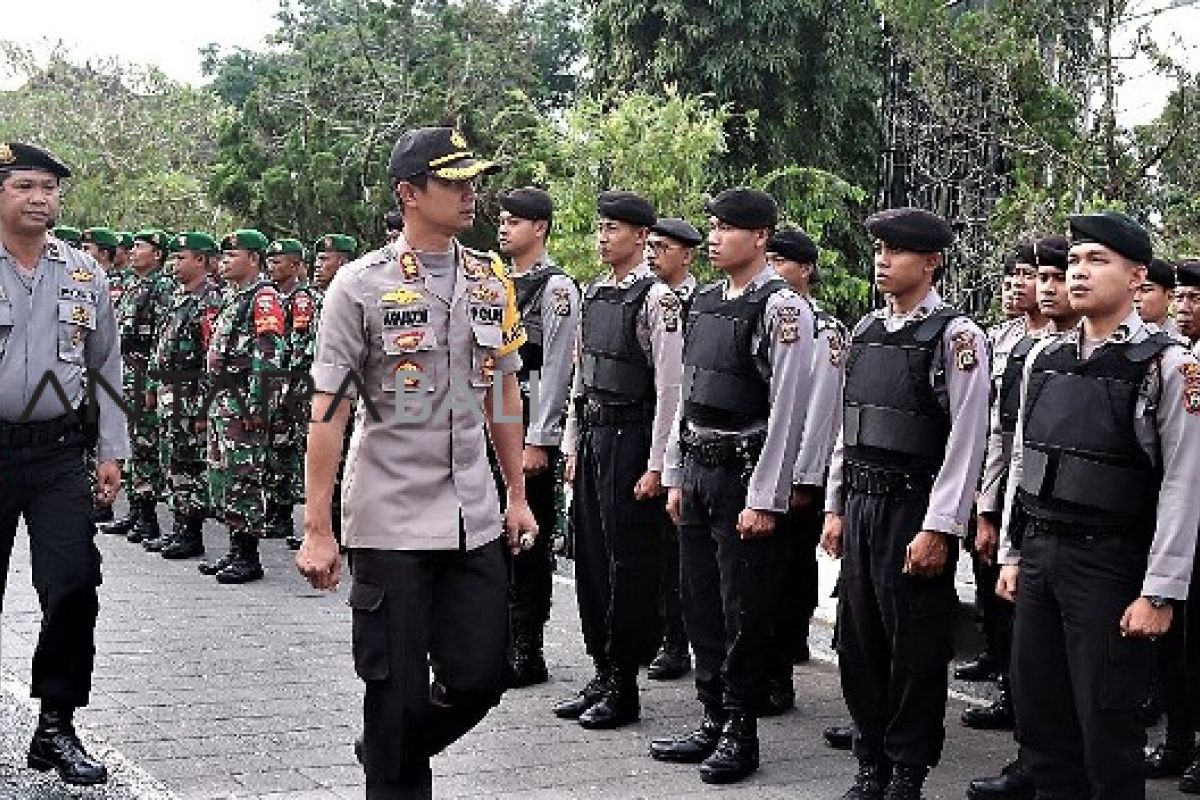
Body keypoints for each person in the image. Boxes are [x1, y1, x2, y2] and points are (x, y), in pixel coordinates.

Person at [297, 126, 536, 800]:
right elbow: (330, 410)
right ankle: (391, 755)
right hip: (390, 518)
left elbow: (504, 390)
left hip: (474, 517)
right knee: (395, 692)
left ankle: (384, 750)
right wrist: (318, 527)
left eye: (472, 180)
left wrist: (516, 491)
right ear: (409, 193)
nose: (471, 194)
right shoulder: (358, 285)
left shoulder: (491, 278)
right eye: (453, 182)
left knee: (481, 678)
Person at [996, 211, 1200, 800]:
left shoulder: (1169, 365)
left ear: (1138, 277)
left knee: (1108, 734)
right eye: (1075, 260)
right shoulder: (1045, 357)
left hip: (1110, 566)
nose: (1078, 273)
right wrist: (1013, 551)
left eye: (1096, 261)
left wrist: (1160, 591)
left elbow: (1184, 484)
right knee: (1042, 723)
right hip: (1040, 557)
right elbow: (1023, 462)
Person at [822, 207, 990, 800]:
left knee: (914, 647)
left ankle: (906, 770)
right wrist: (835, 506)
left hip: (912, 507)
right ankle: (870, 759)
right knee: (859, 639)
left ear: (932, 260)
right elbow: (849, 426)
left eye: (895, 251)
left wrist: (940, 527)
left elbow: (968, 436)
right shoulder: (865, 331)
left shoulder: (955, 335)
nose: (882, 261)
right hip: (863, 503)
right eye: (877, 251)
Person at [653, 189, 814, 784]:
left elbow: (788, 410)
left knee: (740, 605)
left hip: (743, 472)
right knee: (699, 601)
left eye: (727, 229)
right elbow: (685, 396)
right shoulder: (703, 302)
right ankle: (712, 715)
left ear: (762, 237)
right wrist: (674, 472)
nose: (714, 237)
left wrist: (764, 498)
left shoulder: (781, 309)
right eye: (712, 227)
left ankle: (741, 727)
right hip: (697, 466)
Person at [0, 141, 129, 786]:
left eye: (49, 188)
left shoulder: (84, 273)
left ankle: (54, 727)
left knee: (75, 583)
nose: (39, 198)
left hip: (58, 453)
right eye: (25, 185)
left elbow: (106, 366)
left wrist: (112, 449)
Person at [555, 190, 684, 730]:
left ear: (640, 238)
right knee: (590, 562)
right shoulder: (594, 294)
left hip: (634, 439)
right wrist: (570, 441)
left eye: (614, 228)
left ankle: (625, 681)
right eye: (600, 227)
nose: (603, 236)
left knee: (629, 565)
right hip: (595, 437)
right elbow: (581, 375)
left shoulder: (656, 301)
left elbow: (671, 388)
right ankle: (603, 668)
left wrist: (659, 464)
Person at [967, 234, 1076, 800]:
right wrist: (991, 515)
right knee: (1030, 656)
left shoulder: (1130, 358)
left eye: (1053, 274)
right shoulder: (1019, 346)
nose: (1042, 286)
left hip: (1088, 529)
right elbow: (1003, 440)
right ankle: (1033, 761)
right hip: (1026, 508)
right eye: (1043, 275)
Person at [496, 186, 580, 688]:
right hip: (491, 424)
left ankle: (528, 647)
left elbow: (555, 370)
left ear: (540, 227)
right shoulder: (495, 281)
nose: (504, 228)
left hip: (528, 426)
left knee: (528, 540)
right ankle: (498, 639)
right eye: (503, 219)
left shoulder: (556, 289)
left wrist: (540, 440)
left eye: (515, 221)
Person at [766, 227, 847, 703]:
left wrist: (805, 476)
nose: (773, 269)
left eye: (782, 260)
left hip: (799, 468)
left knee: (788, 570)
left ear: (806, 269)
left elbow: (822, 409)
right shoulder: (765, 315)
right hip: (758, 464)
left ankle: (782, 666)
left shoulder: (822, 326)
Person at [198, 229, 286, 584]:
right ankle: (235, 549)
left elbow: (269, 354)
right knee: (224, 475)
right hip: (224, 400)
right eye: (223, 256)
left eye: (233, 256)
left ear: (253, 259)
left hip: (244, 402)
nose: (225, 262)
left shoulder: (263, 298)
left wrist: (258, 405)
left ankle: (249, 556)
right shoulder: (235, 297)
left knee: (244, 477)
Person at [644, 216, 702, 681]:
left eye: (662, 248)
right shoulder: (646, 299)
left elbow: (677, 386)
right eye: (651, 246)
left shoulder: (697, 304)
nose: (652, 254)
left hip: (684, 440)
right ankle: (660, 633)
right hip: (645, 435)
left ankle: (677, 642)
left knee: (679, 552)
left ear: (687, 255)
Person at [97, 229, 174, 545]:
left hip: (144, 378)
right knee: (131, 446)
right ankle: (137, 512)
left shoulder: (162, 288)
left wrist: (153, 384)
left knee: (145, 446)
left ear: (157, 255)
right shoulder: (133, 285)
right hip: (127, 375)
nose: (132, 251)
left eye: (141, 246)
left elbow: (162, 340)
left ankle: (148, 517)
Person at [153, 232, 223, 560]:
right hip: (172, 392)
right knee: (173, 460)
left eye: (182, 258)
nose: (175, 264)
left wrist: (205, 407)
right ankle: (180, 526)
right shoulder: (179, 296)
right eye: (174, 257)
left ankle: (192, 532)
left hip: (193, 393)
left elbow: (212, 357)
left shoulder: (211, 300)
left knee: (191, 464)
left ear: (201, 261)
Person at [265, 237, 318, 542]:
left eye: (278, 261)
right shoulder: (273, 297)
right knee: (274, 447)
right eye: (270, 261)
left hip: (294, 385)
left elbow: (300, 347)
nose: (272, 266)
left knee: (288, 450)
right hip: (274, 384)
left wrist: (289, 386)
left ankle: (283, 513)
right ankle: (274, 508)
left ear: (296, 266)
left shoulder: (302, 300)